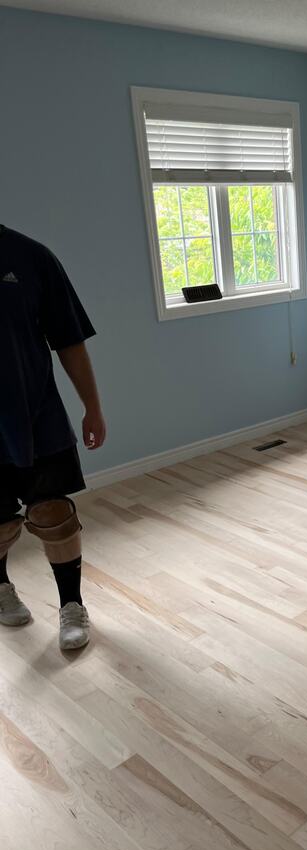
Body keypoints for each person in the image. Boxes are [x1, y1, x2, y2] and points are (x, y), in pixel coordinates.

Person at [0, 225, 106, 650]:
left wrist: (92, 408)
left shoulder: (30, 257)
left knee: (54, 514)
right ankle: (2, 589)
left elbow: (69, 340)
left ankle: (71, 604)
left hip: (36, 414)